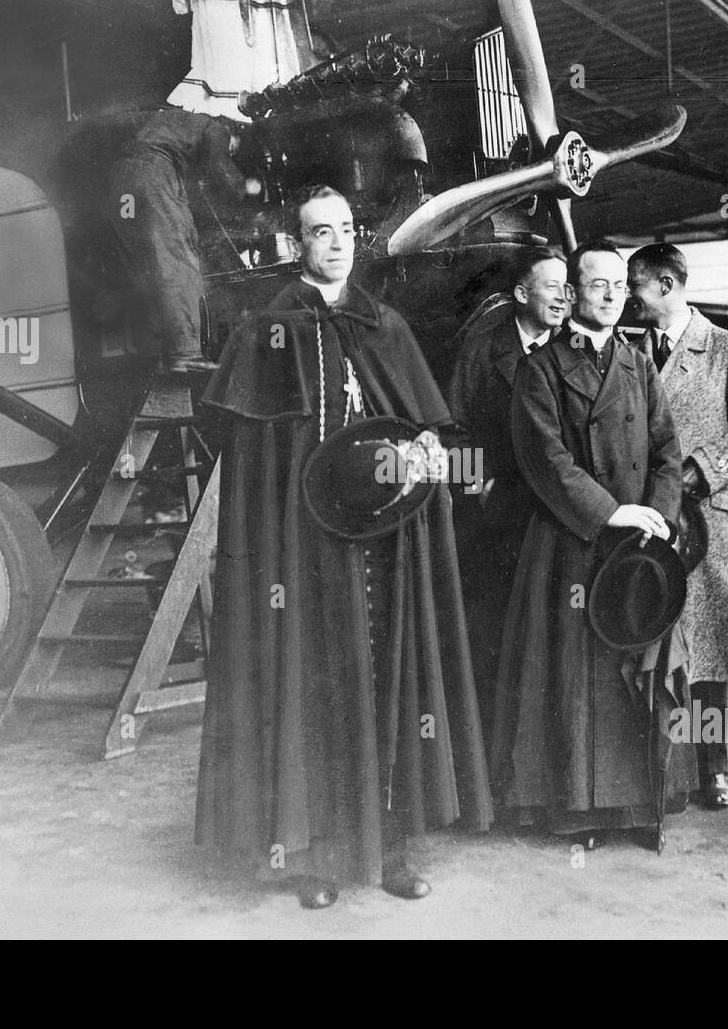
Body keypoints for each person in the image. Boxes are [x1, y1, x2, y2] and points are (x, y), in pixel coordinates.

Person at [194, 185, 492, 908]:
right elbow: (248, 456)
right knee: (311, 689)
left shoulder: (382, 322)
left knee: (390, 683)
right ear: (296, 244)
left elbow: (425, 426)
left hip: (384, 545)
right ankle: (315, 854)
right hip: (302, 550)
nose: (336, 244)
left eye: (347, 230)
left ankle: (387, 848)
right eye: (319, 233)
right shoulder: (266, 329)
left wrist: (426, 446)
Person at [490, 239, 685, 850]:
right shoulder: (541, 366)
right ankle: (578, 810)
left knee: (635, 669)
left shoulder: (638, 361)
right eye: (597, 284)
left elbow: (667, 452)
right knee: (576, 680)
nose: (610, 295)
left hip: (637, 546)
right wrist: (611, 512)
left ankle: (634, 808)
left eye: (619, 285)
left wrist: (657, 513)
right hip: (573, 541)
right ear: (572, 292)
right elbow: (542, 458)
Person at [627, 243, 728, 810]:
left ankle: (711, 767)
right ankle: (660, 771)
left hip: (710, 520)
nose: (628, 297)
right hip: (650, 520)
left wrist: (699, 471)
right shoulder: (629, 351)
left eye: (635, 285)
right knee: (654, 644)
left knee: (709, 654)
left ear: (666, 284)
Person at [446, 246, 567, 733]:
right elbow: (451, 430)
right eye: (551, 286)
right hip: (496, 521)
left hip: (557, 517)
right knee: (495, 639)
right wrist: (481, 486)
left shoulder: (571, 351)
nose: (564, 297)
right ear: (520, 294)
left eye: (568, 286)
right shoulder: (480, 352)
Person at [108, 107, 254, 374]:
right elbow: (221, 168)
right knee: (175, 262)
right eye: (233, 148)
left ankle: (155, 353)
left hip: (120, 185)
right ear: (232, 131)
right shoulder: (214, 127)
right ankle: (185, 353)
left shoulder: (166, 123)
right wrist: (245, 189)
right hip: (152, 176)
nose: (230, 151)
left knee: (141, 265)